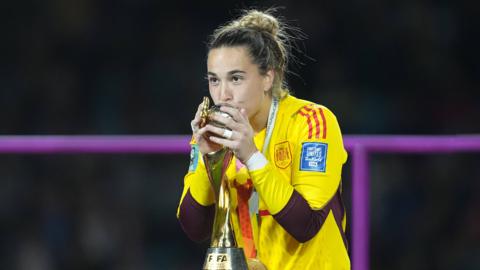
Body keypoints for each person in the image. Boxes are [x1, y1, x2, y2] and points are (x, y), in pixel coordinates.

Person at [177, 9, 350, 270]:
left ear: (267, 77)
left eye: (236, 78)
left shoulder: (312, 122)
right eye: (214, 80)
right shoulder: (213, 131)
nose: (223, 94)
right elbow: (195, 228)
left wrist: (252, 156)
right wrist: (209, 160)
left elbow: (306, 225)